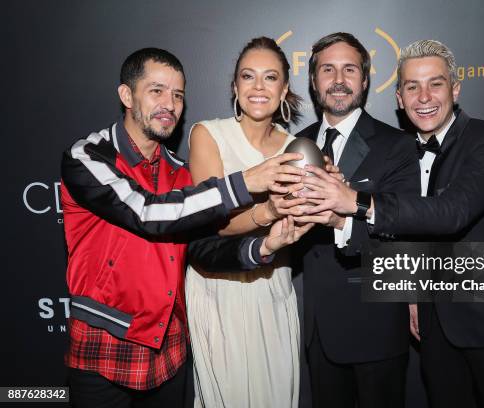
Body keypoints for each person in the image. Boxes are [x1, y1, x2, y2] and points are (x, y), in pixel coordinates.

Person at [60, 47, 306, 408]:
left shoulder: (180, 172)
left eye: (177, 95)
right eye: (156, 91)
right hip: (106, 340)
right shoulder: (89, 155)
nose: (169, 104)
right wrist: (244, 183)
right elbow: (145, 212)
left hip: (169, 347)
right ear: (127, 95)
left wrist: (264, 246)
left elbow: (203, 249)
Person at [300, 40, 484, 408]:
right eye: (412, 86)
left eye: (436, 84)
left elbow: (452, 214)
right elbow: (406, 235)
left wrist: (355, 201)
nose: (423, 96)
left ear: (455, 89)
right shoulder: (404, 150)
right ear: (399, 98)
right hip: (432, 322)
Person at [290, 32, 420, 408]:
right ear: (314, 82)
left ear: (365, 80)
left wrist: (341, 218)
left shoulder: (396, 145)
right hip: (317, 329)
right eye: (327, 70)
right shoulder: (296, 144)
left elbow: (403, 230)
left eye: (349, 69)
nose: (338, 80)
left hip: (374, 326)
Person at [185, 37, 315, 408]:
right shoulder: (207, 134)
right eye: (248, 76)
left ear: (284, 89)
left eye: (270, 77)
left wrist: (325, 191)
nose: (258, 87)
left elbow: (306, 218)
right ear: (234, 86)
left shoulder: (298, 147)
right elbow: (210, 223)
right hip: (220, 288)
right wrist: (270, 212)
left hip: (273, 285)